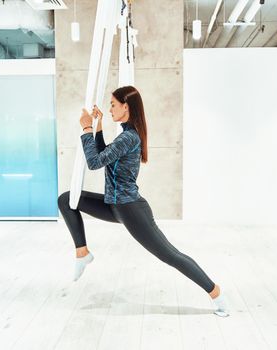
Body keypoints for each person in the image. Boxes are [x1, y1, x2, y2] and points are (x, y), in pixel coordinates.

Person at [57, 86, 228, 317]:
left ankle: (216, 293)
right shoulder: (126, 134)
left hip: (131, 209)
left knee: (170, 255)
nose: (109, 109)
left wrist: (86, 127)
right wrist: (97, 127)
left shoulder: (130, 137)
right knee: (67, 200)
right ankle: (82, 252)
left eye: (113, 104)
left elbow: (95, 162)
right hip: (114, 206)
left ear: (126, 106)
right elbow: (104, 156)